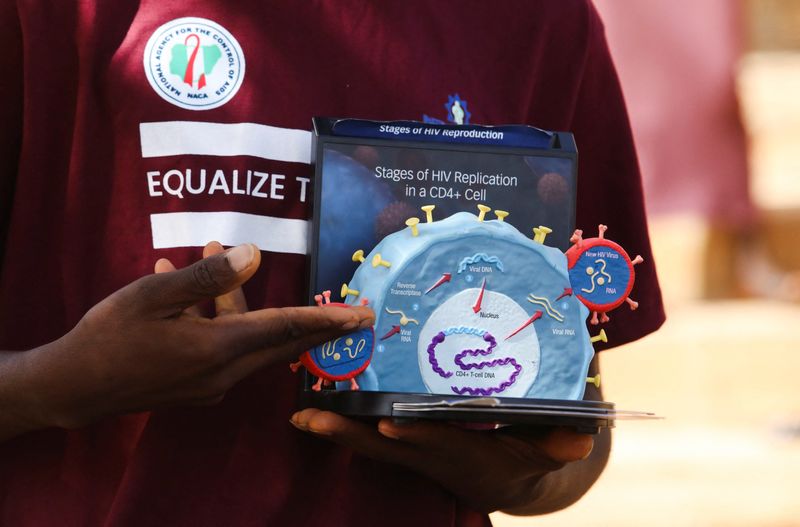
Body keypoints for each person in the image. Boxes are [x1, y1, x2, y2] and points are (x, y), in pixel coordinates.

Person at [0, 1, 665, 525]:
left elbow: (574, 431)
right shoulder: (49, 16)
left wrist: (520, 476)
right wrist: (50, 388)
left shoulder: (542, 21)